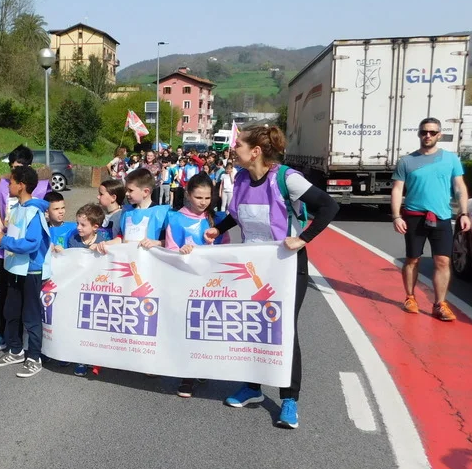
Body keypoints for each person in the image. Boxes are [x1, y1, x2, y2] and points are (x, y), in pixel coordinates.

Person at [204, 124, 339, 429]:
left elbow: (329, 206)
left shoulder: (286, 179)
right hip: (253, 266)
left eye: (238, 144)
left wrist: (303, 239)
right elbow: (237, 214)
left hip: (287, 265)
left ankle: (289, 398)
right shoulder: (240, 178)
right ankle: (252, 387)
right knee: (252, 326)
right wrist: (218, 229)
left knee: (283, 328)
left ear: (255, 151)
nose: (233, 148)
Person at [390, 117, 470, 321]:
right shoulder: (406, 161)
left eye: (432, 132)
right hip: (414, 217)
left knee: (443, 261)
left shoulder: (451, 159)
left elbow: (460, 187)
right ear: (419, 134)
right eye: (424, 132)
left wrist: (463, 213)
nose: (428, 135)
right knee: (412, 259)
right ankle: (410, 297)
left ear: (439, 135)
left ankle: (439, 304)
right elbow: (397, 189)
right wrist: (397, 216)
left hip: (441, 217)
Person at [163, 173, 229, 398]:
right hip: (186, 282)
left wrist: (213, 246)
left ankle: (203, 365)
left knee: (207, 327)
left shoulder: (217, 219)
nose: (203, 202)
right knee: (189, 328)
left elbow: (227, 251)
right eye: (198, 197)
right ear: (188, 195)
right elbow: (170, 249)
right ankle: (187, 376)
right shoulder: (175, 219)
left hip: (211, 283)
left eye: (207, 198)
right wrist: (180, 252)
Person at [0, 166, 51, 379]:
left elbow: (32, 244)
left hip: (31, 271)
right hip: (14, 268)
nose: (8, 186)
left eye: (12, 182)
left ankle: (34, 357)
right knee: (11, 312)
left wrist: (4, 241)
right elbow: (14, 237)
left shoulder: (34, 212)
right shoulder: (16, 209)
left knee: (31, 316)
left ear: (21, 185)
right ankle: (15, 350)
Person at [66, 203, 109, 378]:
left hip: (99, 289)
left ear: (95, 227)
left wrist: (102, 247)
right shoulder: (73, 240)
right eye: (77, 223)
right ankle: (81, 359)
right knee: (81, 326)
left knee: (97, 326)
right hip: (79, 289)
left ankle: (96, 357)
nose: (78, 227)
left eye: (83, 225)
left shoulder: (104, 238)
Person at [96, 168, 171, 252]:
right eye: (126, 190)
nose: (126, 193)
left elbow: (170, 242)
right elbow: (121, 237)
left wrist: (157, 243)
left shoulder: (161, 213)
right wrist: (106, 244)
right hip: (128, 257)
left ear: (145, 192)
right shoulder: (127, 211)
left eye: (130, 190)